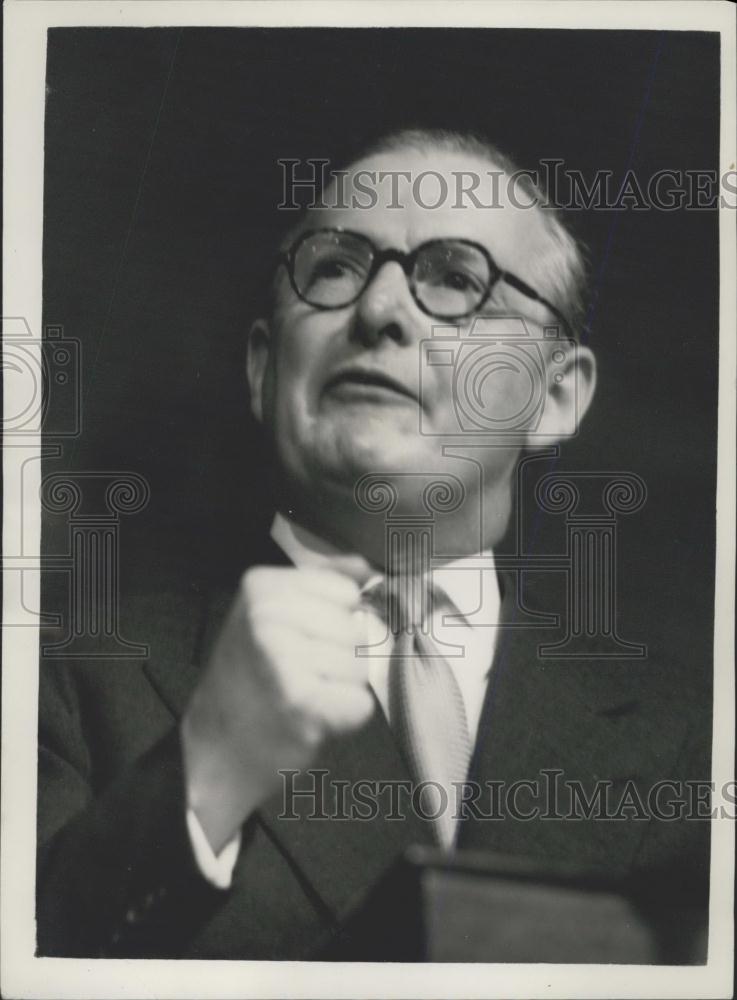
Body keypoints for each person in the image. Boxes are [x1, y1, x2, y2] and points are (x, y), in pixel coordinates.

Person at [37, 129, 710, 960]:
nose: (379, 311)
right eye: (333, 269)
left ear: (556, 398)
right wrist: (205, 768)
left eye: (459, 280)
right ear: (261, 367)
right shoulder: (62, 682)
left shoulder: (702, 739)